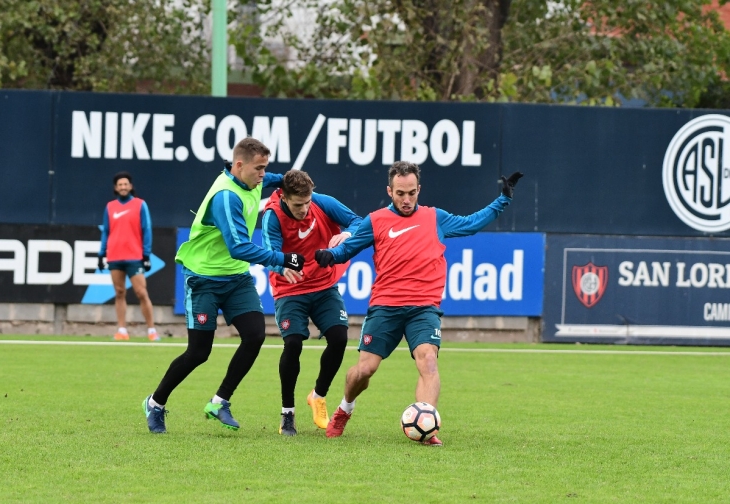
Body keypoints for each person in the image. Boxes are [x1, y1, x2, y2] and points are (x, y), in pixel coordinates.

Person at [314, 161, 523, 446]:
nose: (407, 199)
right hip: (385, 306)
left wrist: (503, 199)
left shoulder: (435, 217)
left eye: (412, 193)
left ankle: (427, 427)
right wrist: (331, 255)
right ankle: (345, 408)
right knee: (365, 370)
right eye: (400, 193)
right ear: (390, 191)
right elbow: (347, 248)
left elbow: (472, 223)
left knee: (429, 361)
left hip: (424, 308)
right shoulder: (375, 221)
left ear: (419, 189)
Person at [142, 137, 306, 434]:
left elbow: (276, 180)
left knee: (255, 335)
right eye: (259, 168)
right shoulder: (226, 197)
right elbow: (239, 247)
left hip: (236, 278)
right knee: (198, 353)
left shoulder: (251, 179)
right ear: (239, 165)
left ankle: (219, 401)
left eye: (265, 168)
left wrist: (288, 180)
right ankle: (155, 403)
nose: (262, 174)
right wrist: (283, 259)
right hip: (203, 278)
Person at [261, 170, 362, 436]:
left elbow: (359, 222)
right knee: (293, 343)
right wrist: (281, 266)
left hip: (323, 285)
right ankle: (287, 415)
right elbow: (270, 251)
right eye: (297, 204)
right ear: (283, 196)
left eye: (307, 202)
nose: (304, 209)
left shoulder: (320, 201)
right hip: (290, 288)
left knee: (339, 338)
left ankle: (318, 395)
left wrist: (347, 235)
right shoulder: (272, 215)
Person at [97, 171, 159, 342]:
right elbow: (106, 232)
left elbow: (147, 229)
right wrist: (101, 254)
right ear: (116, 188)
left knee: (141, 292)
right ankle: (122, 330)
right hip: (115, 256)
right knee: (119, 292)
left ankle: (152, 330)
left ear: (130, 186)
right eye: (120, 185)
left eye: (126, 184)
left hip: (134, 256)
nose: (123, 187)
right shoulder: (110, 207)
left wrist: (146, 254)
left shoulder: (140, 205)